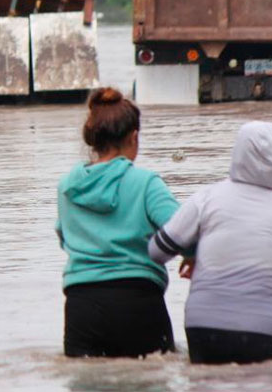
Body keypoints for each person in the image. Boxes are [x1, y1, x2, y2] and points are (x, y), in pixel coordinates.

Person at [149, 121, 272, 365]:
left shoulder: (206, 199)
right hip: (265, 330)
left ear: (238, 154)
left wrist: (195, 254)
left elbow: (157, 251)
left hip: (204, 327)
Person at [55, 87, 181, 358]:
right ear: (134, 137)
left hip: (81, 306)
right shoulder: (146, 183)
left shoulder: (66, 187)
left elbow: (64, 237)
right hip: (137, 300)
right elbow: (182, 230)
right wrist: (193, 256)